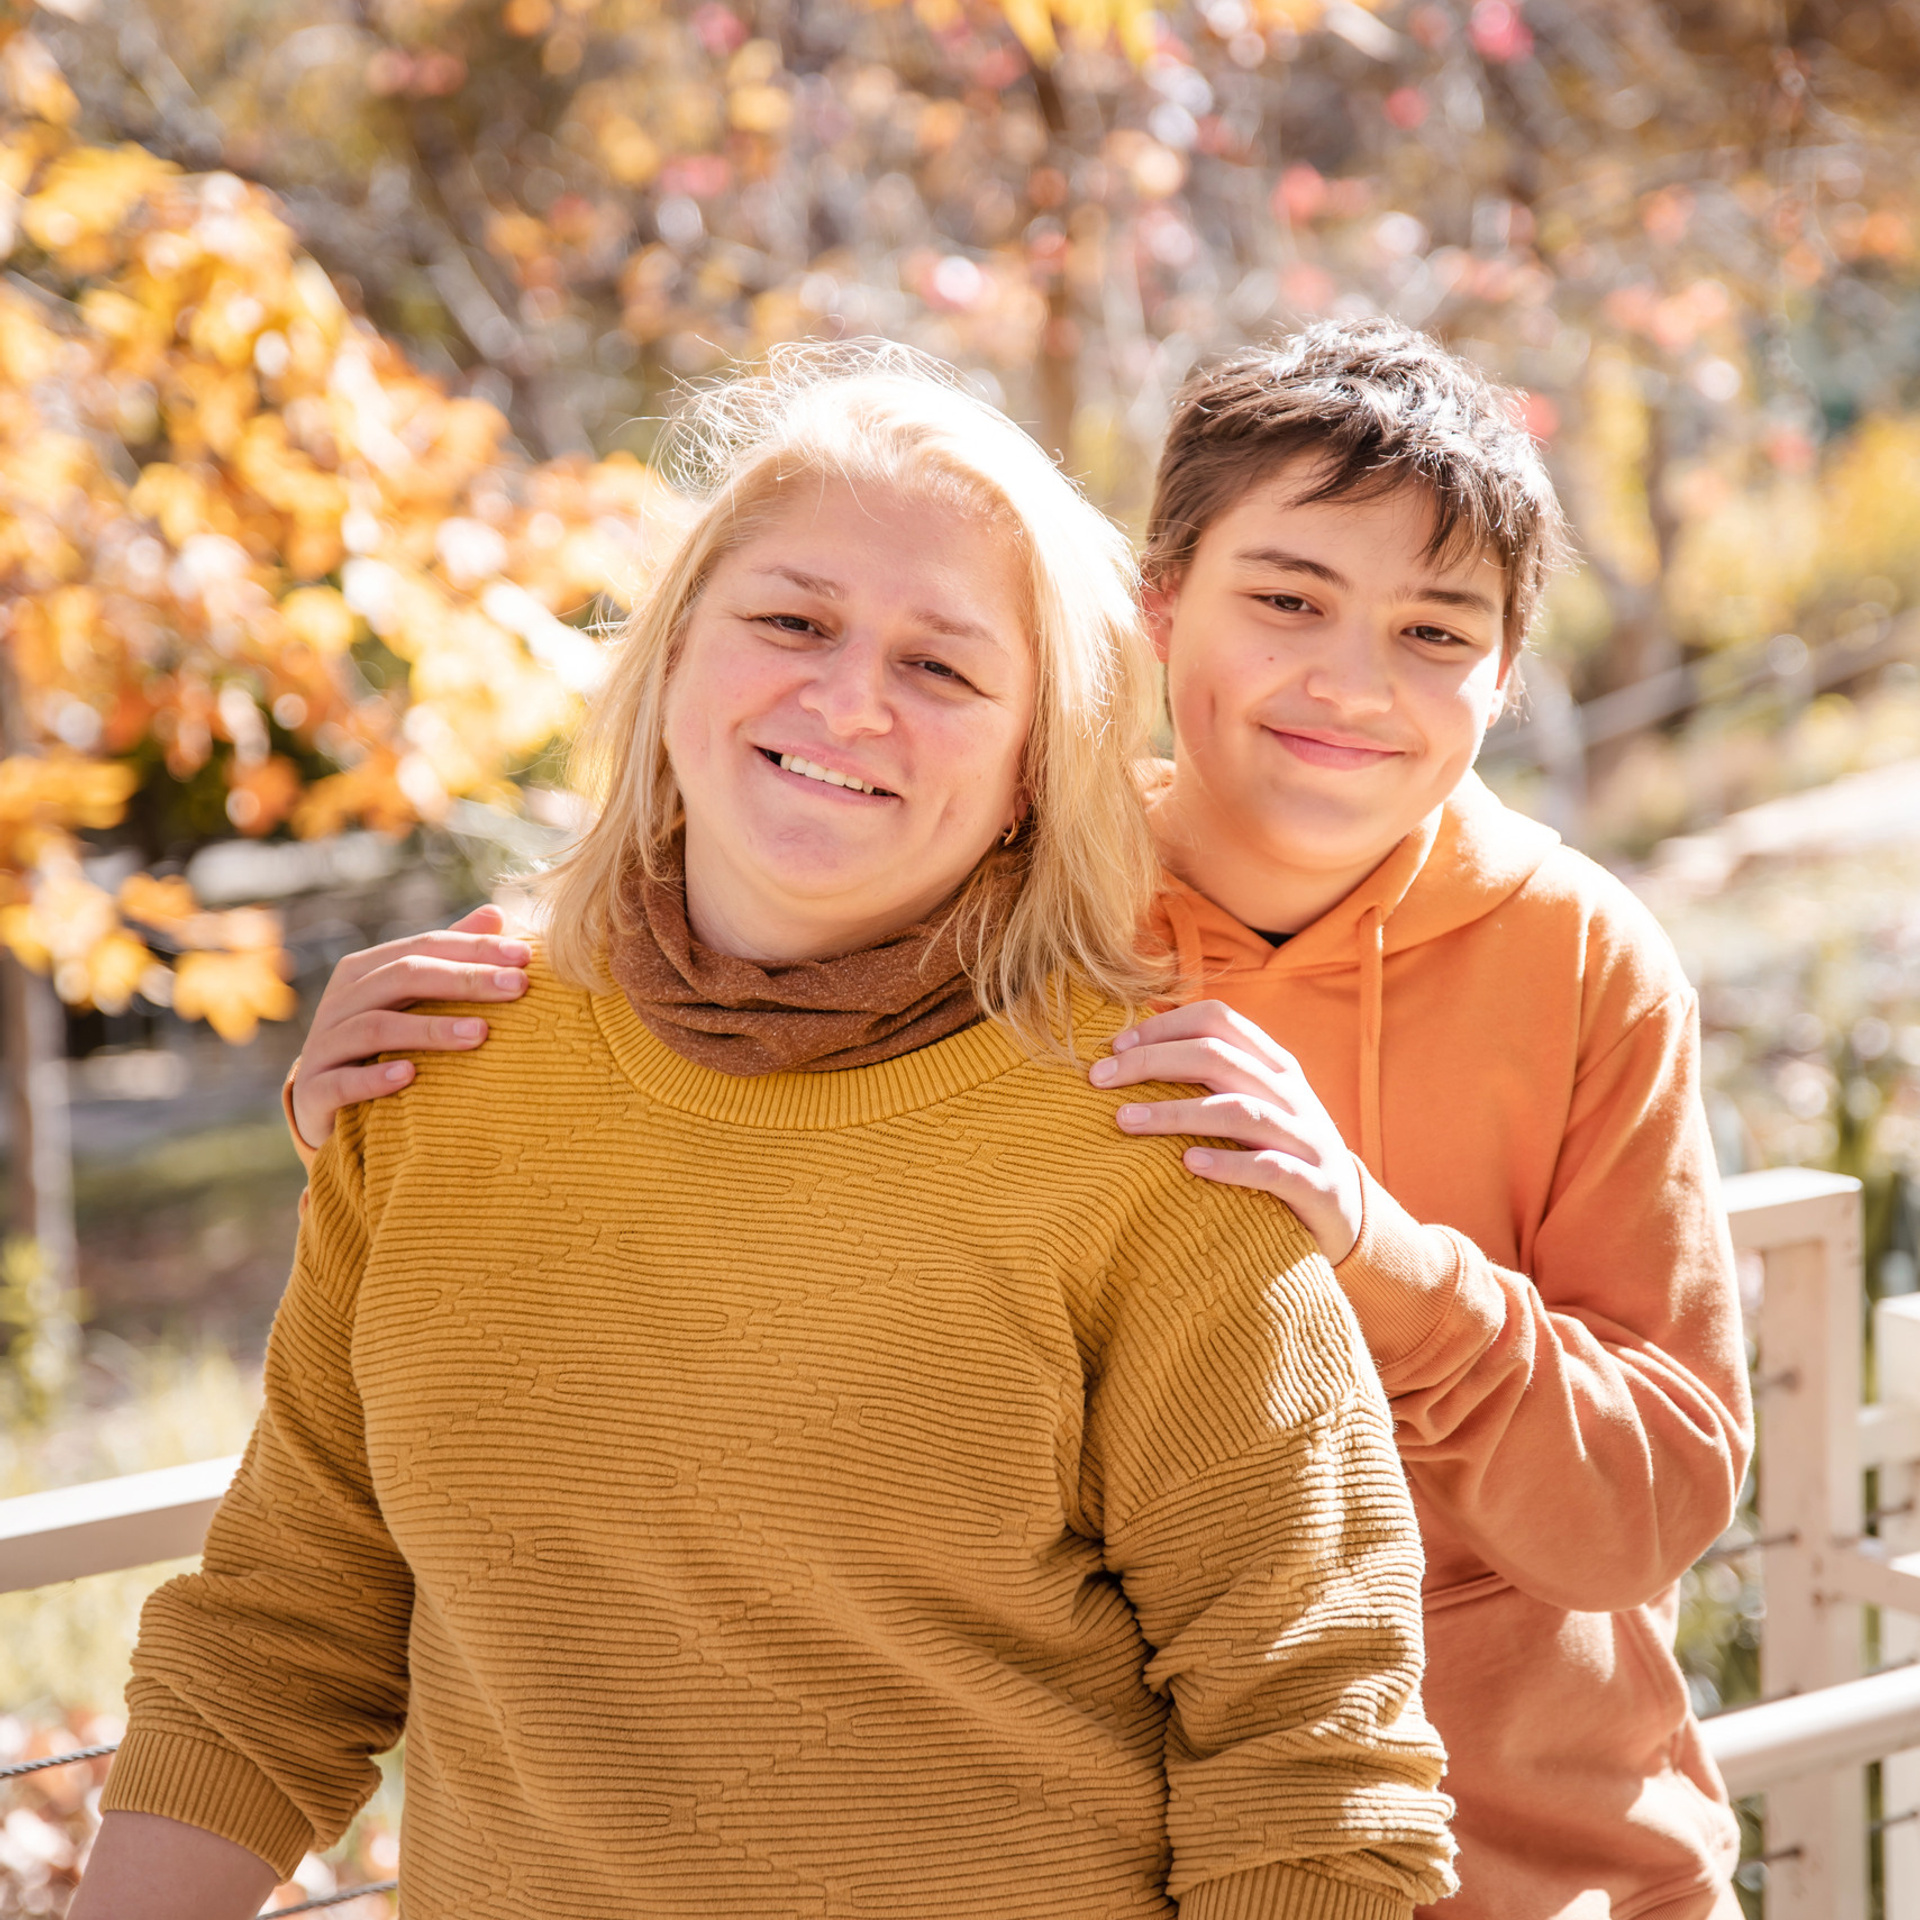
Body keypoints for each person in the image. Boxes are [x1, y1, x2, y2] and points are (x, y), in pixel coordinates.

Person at [292, 320, 1751, 1919]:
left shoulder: (1587, 960)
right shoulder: (1004, 893)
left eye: (1434, 630)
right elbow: (722, 1029)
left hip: (1545, 1868)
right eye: (1287, 600)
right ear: (1157, 607)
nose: (1350, 680)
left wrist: (1376, 1250)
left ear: (1507, 673)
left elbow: (1652, 1512)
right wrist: (409, 1089)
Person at [73, 347, 1456, 1920]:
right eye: (793, 622)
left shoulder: (1159, 1150)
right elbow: (276, 1644)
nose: (850, 700)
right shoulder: (438, 1075)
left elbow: (1313, 1775)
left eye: (943, 668)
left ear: (1031, 768)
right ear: (673, 660)